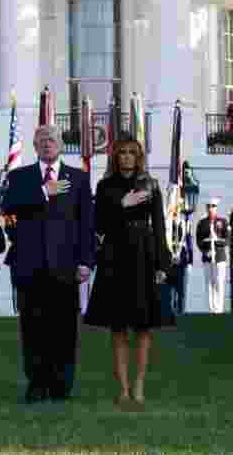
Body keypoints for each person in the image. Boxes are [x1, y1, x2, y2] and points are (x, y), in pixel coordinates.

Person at [0, 124, 94, 404]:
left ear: (61, 144)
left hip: (66, 267)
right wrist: (43, 192)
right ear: (34, 146)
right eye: (41, 140)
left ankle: (61, 384)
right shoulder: (20, 176)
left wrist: (86, 261)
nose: (47, 143)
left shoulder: (78, 178)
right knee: (33, 329)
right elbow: (8, 208)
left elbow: (86, 224)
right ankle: (37, 383)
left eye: (51, 139)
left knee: (64, 329)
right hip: (30, 266)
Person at [85, 138, 172, 408]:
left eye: (131, 153)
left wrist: (162, 264)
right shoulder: (104, 186)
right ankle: (123, 389)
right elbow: (97, 224)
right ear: (115, 157)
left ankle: (139, 386)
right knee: (119, 327)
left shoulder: (151, 184)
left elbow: (159, 226)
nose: (126, 157)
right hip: (115, 256)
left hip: (144, 255)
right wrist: (123, 203)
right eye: (121, 153)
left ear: (138, 157)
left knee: (144, 327)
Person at [195, 199, 229, 314]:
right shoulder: (202, 223)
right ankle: (211, 309)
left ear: (216, 207)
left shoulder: (223, 222)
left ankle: (219, 309)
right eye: (209, 206)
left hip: (219, 256)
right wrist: (205, 252)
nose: (211, 208)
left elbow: (227, 240)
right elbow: (198, 240)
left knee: (219, 282)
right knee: (209, 283)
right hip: (207, 256)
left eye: (213, 206)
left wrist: (217, 240)